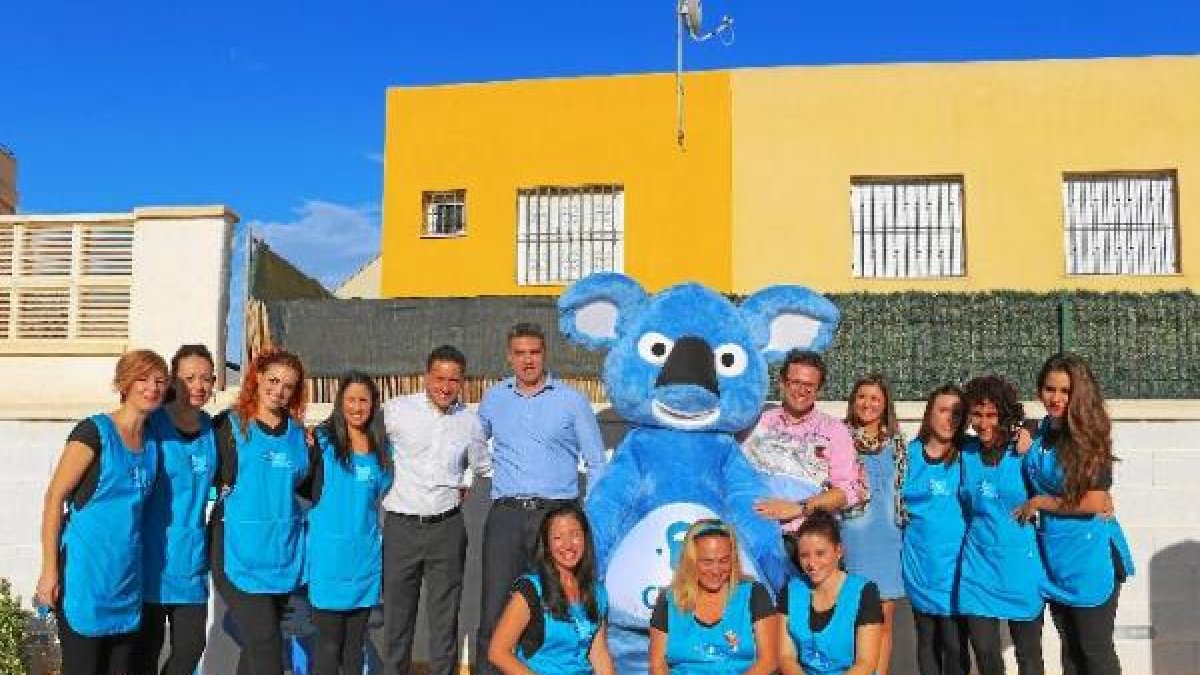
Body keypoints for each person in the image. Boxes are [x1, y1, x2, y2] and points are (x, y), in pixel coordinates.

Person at [477, 322, 608, 674]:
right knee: (494, 610)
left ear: (544, 354)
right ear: (509, 356)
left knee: (557, 607)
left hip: (556, 516)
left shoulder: (571, 400)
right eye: (519, 353)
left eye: (534, 352)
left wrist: (586, 518)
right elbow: (473, 442)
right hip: (507, 514)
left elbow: (596, 461)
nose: (527, 360)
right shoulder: (494, 399)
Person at [36, 349, 168, 675]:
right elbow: (54, 498)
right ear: (124, 383)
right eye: (142, 378)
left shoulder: (152, 443)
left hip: (126, 579)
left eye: (159, 381)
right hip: (85, 575)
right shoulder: (94, 433)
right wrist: (50, 571)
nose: (151, 387)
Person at [1015, 353, 1135, 675]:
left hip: (1091, 556)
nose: (1056, 398)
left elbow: (1095, 501)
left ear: (1078, 393)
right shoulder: (1038, 431)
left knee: (1094, 652)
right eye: (1049, 389)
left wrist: (1041, 502)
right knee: (1070, 652)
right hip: (1055, 556)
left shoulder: (1088, 436)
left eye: (1065, 391)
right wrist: (1024, 428)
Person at [381, 345, 490, 675]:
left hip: (447, 528)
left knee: (445, 622)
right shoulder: (396, 411)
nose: (445, 386)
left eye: (453, 380)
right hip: (401, 527)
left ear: (462, 382)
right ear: (426, 376)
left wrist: (466, 478)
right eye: (439, 378)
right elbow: (359, 435)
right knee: (397, 621)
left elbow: (483, 465)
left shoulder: (470, 422)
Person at [211, 348, 311, 675]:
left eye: (288, 386)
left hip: (282, 553)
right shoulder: (228, 426)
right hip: (237, 551)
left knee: (257, 646)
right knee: (266, 642)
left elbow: (309, 487)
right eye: (273, 380)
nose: (279, 390)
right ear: (257, 378)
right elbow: (197, 475)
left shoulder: (299, 436)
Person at [136, 345, 220, 675]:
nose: (198, 386)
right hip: (150, 561)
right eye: (189, 378)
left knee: (190, 649)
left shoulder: (213, 430)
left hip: (190, 562)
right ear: (173, 381)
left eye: (206, 378)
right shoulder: (151, 426)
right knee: (146, 654)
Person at [305, 372, 394, 675]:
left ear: (373, 405)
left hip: (364, 561)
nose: (357, 407)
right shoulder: (321, 441)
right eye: (351, 400)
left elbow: (383, 493)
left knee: (355, 645)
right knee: (329, 644)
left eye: (364, 400)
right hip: (328, 560)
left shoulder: (383, 450)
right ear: (340, 402)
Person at [958, 375, 1046, 675]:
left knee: (1029, 656)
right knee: (985, 654)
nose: (983, 423)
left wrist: (1032, 427)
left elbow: (1055, 426)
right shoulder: (965, 451)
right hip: (978, 566)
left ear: (1005, 414)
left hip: (1020, 565)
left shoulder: (1022, 451)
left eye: (991, 415)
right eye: (977, 414)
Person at [745, 350, 866, 534]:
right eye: (795, 382)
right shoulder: (754, 421)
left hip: (804, 541)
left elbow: (846, 492)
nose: (801, 390)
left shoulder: (835, 431)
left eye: (809, 385)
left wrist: (798, 508)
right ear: (782, 383)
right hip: (752, 531)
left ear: (819, 389)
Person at [488, 504, 615, 674]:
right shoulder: (531, 590)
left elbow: (599, 654)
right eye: (558, 537)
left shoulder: (597, 593)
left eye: (575, 535)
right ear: (547, 544)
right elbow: (497, 652)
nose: (568, 544)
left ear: (586, 538)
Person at [648, 520, 779, 674]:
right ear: (691, 561)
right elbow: (657, 665)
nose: (716, 570)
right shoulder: (669, 600)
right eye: (707, 562)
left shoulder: (753, 593)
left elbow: (769, 661)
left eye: (724, 560)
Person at [901, 385, 971, 675]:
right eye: (942, 411)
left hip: (957, 569)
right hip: (920, 566)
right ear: (929, 412)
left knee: (955, 646)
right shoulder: (908, 454)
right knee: (927, 643)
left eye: (956, 413)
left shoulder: (970, 453)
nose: (948, 419)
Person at [839, 373, 905, 675]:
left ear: (885, 404)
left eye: (875, 398)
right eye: (861, 397)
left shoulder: (898, 445)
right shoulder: (837, 438)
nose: (867, 404)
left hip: (889, 542)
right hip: (851, 540)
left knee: (883, 622)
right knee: (853, 620)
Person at [780, 510, 883, 675]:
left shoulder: (864, 592)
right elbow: (786, 657)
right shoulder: (791, 591)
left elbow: (865, 663)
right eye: (804, 555)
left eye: (820, 553)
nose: (812, 563)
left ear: (839, 551)